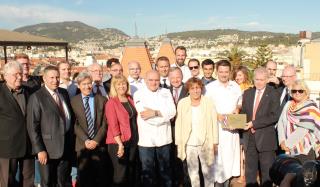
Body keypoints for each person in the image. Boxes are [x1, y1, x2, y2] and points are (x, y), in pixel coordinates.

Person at [27, 66, 74, 187]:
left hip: (66, 147)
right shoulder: (37, 97)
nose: (55, 80)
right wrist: (40, 150)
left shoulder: (63, 93)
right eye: (52, 77)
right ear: (44, 78)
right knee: (47, 182)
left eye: (57, 77)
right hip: (47, 149)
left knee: (62, 182)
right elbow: (33, 127)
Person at [133, 70, 176, 187]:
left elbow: (172, 112)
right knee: (148, 173)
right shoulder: (138, 94)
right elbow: (145, 115)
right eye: (151, 80)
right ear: (146, 81)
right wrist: (163, 114)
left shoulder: (166, 92)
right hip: (146, 141)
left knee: (165, 172)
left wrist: (155, 112)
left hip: (164, 139)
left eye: (156, 80)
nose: (154, 82)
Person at [175, 77, 218, 187]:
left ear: (201, 88)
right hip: (189, 143)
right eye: (192, 88)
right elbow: (178, 124)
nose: (195, 90)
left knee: (208, 172)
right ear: (188, 90)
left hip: (206, 142)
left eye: (198, 88)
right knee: (193, 173)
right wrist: (179, 142)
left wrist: (215, 142)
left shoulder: (208, 102)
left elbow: (214, 123)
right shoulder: (182, 103)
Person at [241, 67, 280, 187]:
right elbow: (244, 114)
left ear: (267, 80)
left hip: (266, 140)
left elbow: (274, 116)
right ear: (253, 79)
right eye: (256, 79)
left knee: (267, 174)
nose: (259, 82)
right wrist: (235, 120)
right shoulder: (247, 93)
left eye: (262, 80)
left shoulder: (273, 93)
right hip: (249, 138)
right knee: (250, 174)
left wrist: (254, 123)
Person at [205, 60, 242, 187]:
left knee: (230, 161)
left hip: (232, 129)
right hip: (217, 130)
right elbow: (206, 108)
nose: (223, 74)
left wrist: (237, 109)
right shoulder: (209, 88)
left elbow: (239, 102)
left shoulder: (235, 86)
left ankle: (227, 183)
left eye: (226, 72)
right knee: (218, 162)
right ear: (216, 71)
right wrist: (218, 116)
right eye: (221, 71)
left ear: (230, 72)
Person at [71, 72, 108, 187]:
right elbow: (74, 124)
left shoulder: (101, 99)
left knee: (100, 177)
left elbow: (105, 123)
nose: (87, 86)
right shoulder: (73, 101)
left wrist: (96, 140)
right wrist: (86, 140)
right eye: (84, 84)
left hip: (99, 144)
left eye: (89, 83)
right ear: (78, 85)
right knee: (84, 178)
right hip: (82, 145)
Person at [0, 61, 34, 187]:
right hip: (7, 147)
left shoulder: (29, 92)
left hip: (28, 145)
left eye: (20, 74)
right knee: (7, 181)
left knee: (28, 181)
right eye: (16, 75)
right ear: (5, 76)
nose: (19, 77)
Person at [105, 75, 139, 187]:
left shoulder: (130, 99)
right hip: (118, 143)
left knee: (130, 171)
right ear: (114, 86)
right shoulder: (111, 102)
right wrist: (120, 144)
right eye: (118, 84)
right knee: (120, 174)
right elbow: (113, 125)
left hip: (132, 140)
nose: (121, 86)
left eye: (123, 83)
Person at [278, 80, 320, 164]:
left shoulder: (311, 107)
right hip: (288, 150)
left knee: (304, 176)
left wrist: (287, 144)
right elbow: (281, 122)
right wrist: (281, 141)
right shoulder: (288, 104)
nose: (297, 93)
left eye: (300, 91)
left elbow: (303, 130)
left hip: (304, 150)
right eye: (294, 91)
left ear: (306, 92)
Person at [168, 67, 190, 187]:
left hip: (185, 130)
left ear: (182, 77)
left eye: (178, 77)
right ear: (169, 78)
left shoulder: (189, 89)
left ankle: (186, 182)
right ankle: (176, 182)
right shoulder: (164, 90)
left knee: (185, 158)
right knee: (172, 158)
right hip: (169, 131)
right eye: (172, 78)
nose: (175, 80)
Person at [233, 65, 252, 184]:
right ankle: (241, 174)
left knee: (246, 149)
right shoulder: (233, 88)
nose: (237, 78)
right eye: (235, 76)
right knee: (240, 149)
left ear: (245, 75)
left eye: (240, 75)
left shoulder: (250, 88)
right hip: (236, 121)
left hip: (246, 121)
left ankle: (247, 173)